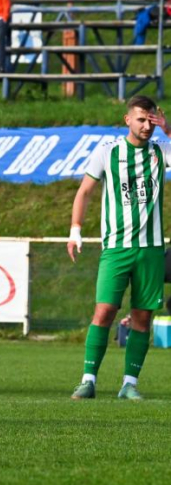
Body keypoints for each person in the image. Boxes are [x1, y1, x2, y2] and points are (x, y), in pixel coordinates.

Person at [68, 95, 171, 401]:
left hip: (151, 249)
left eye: (151, 120)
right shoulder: (107, 152)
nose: (147, 126)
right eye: (141, 119)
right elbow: (84, 192)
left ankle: (129, 384)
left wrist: (168, 129)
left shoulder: (161, 150)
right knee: (104, 311)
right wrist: (75, 231)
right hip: (116, 248)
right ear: (128, 120)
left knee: (142, 317)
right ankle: (88, 380)